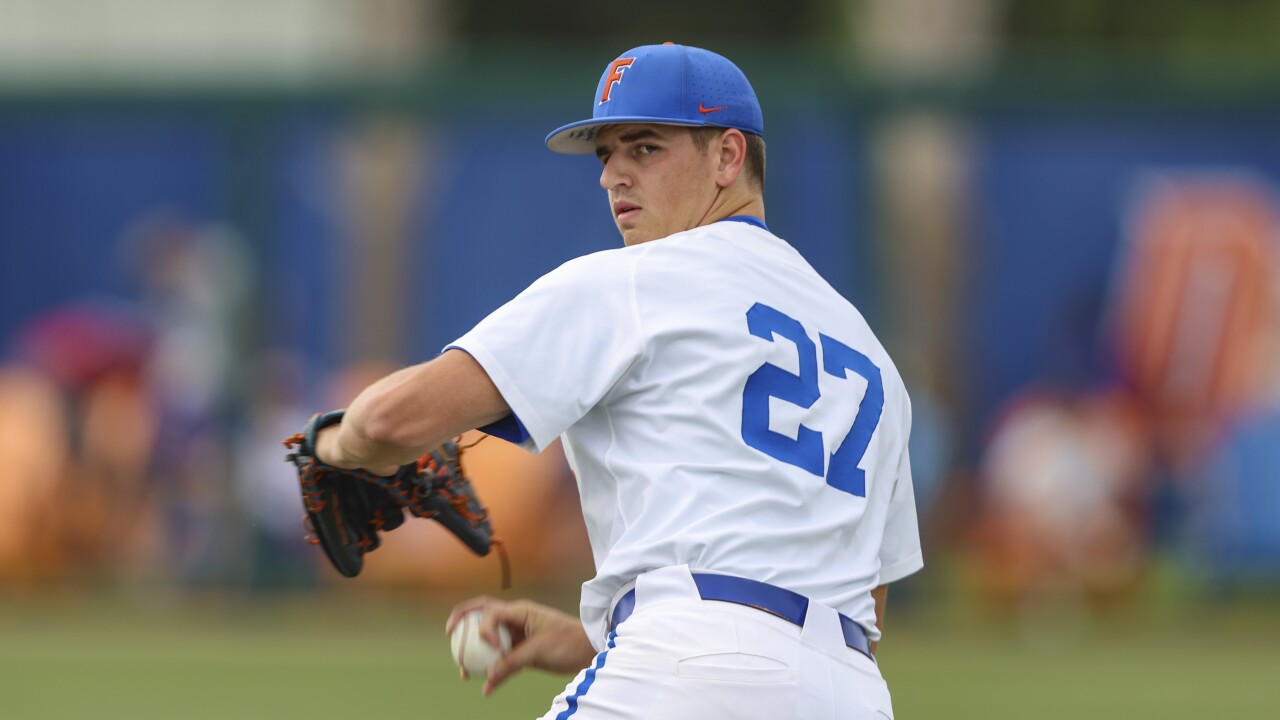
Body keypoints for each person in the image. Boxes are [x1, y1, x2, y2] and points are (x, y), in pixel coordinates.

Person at [314, 43, 923, 719]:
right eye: (606, 154)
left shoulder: (636, 281)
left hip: (683, 666)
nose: (612, 176)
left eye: (645, 147)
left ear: (728, 156)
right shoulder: (872, 358)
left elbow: (387, 423)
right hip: (851, 692)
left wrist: (330, 445)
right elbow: (860, 605)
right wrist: (593, 638)